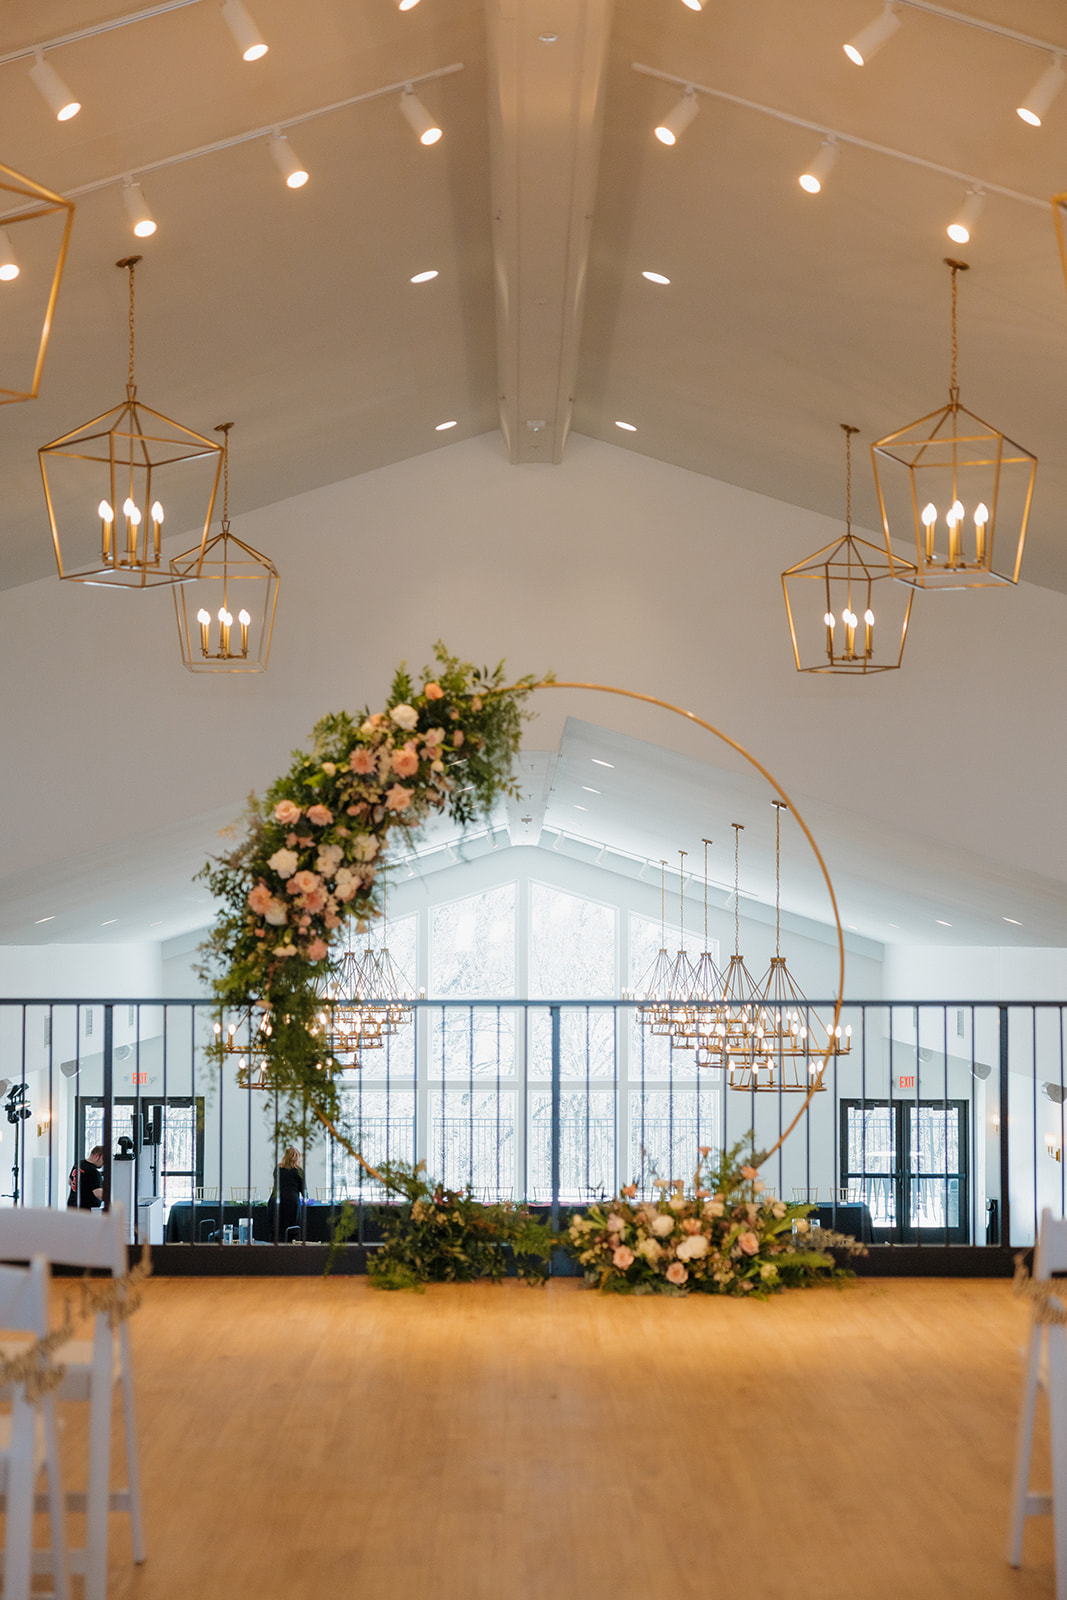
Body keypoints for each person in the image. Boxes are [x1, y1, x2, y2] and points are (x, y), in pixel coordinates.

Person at [269, 1145, 305, 1240]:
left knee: (276, 1229)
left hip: (276, 1201)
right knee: (291, 1230)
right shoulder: (299, 1171)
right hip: (291, 1203)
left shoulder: (278, 1168)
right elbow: (304, 1191)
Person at [67, 1145, 105, 1210]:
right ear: (97, 1156)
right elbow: (98, 1193)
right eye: (104, 1160)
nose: (104, 1164)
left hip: (72, 1205)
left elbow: (70, 1181)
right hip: (85, 1210)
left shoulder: (78, 1164)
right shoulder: (93, 1172)